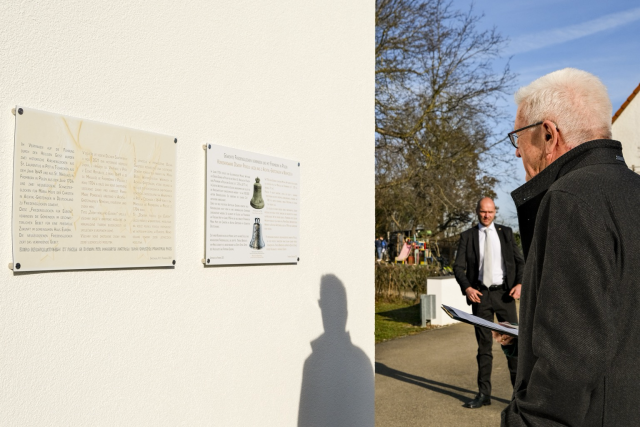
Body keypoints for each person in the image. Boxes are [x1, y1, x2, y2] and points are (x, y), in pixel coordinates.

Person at [495, 68, 640, 426]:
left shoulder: (570, 198)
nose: (517, 154)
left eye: (518, 138)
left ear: (548, 133)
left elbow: (570, 362)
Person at [453, 197, 525, 409]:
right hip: (480, 297)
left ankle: (519, 399)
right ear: (477, 211)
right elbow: (458, 267)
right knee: (484, 347)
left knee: (513, 347)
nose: (487, 215)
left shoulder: (506, 233)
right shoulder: (467, 236)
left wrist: (520, 283)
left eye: (490, 212)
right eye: (483, 212)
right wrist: (467, 287)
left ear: (495, 212)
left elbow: (520, 262)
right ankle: (484, 394)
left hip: (505, 295)